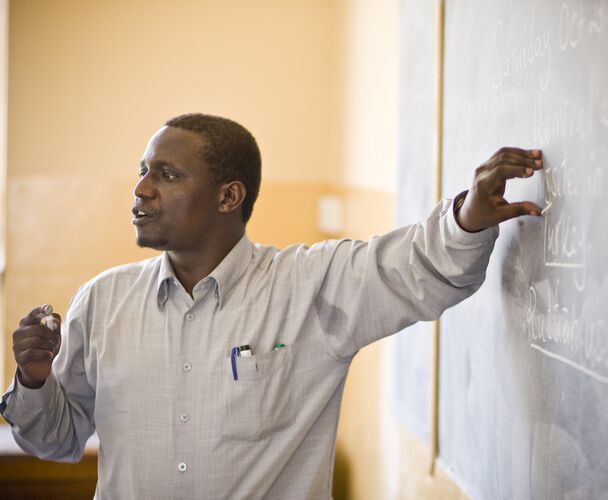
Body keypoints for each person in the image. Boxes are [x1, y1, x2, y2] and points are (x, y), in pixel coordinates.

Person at [0, 113, 542, 498]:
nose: (141, 188)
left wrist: (467, 218)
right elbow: (57, 440)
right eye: (142, 170)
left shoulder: (309, 287)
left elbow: (417, 267)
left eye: (166, 174)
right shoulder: (101, 301)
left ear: (228, 197)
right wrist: (33, 381)